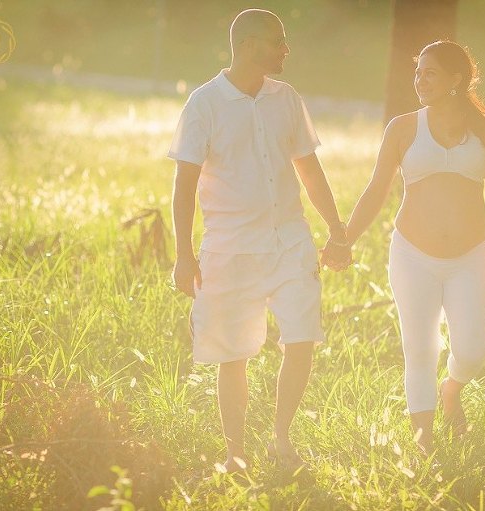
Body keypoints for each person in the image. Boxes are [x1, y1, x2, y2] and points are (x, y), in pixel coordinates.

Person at [169, 9, 351, 473]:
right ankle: (235, 452)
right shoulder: (204, 104)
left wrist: (336, 229)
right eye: (278, 41)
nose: (286, 48)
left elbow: (309, 169)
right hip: (230, 247)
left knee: (303, 337)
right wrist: (184, 257)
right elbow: (184, 184)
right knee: (232, 353)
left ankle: (281, 435)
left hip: (289, 240)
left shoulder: (286, 98)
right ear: (250, 45)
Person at [328, 40, 485, 453]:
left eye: (430, 72)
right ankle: (424, 445)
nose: (420, 79)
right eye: (418, 71)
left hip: (470, 257)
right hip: (412, 256)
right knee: (419, 347)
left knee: (472, 351)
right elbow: (375, 189)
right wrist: (343, 238)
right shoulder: (402, 128)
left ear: (456, 79)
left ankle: (451, 389)